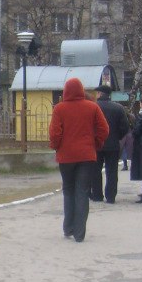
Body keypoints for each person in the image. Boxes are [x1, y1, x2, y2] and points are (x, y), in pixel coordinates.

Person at [48, 78, 109, 241]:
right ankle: (80, 233)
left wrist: (56, 146)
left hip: (66, 156)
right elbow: (104, 129)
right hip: (87, 155)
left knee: (68, 191)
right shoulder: (92, 107)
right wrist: (96, 143)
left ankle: (68, 228)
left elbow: (55, 133)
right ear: (81, 90)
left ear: (66, 91)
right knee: (82, 191)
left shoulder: (59, 108)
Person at [89, 84, 129, 204]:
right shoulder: (118, 108)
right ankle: (111, 196)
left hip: (96, 144)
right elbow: (125, 127)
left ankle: (97, 195)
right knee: (112, 171)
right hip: (113, 145)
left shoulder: (93, 107)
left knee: (95, 170)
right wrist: (117, 137)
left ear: (99, 94)